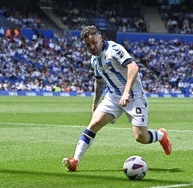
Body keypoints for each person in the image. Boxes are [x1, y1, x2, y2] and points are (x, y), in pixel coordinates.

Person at [62, 25, 172, 172]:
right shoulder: (94, 60)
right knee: (93, 124)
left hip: (133, 96)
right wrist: (95, 103)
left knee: (141, 137)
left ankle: (161, 135)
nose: (92, 47)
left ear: (100, 38)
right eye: (88, 45)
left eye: (94, 42)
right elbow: (99, 80)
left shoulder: (114, 49)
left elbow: (133, 68)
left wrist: (126, 92)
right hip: (113, 97)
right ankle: (75, 161)